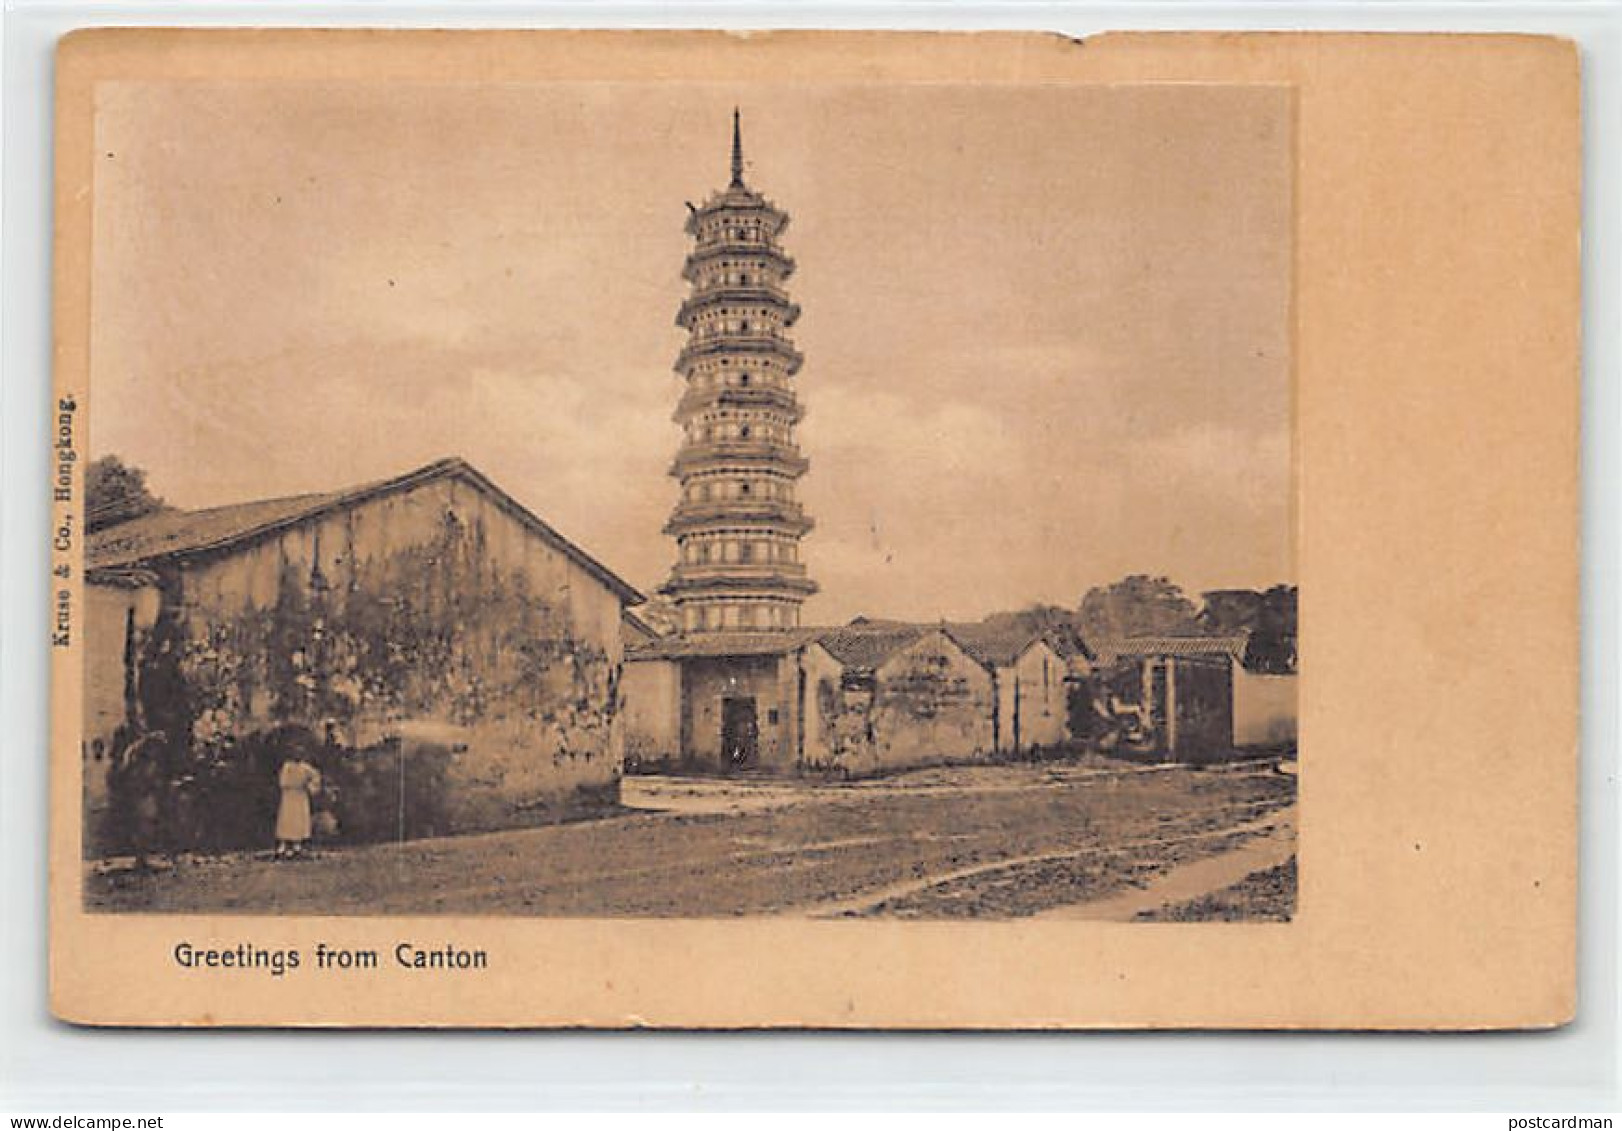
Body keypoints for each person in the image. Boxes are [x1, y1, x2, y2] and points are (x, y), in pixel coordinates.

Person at [274, 749, 323, 860]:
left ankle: (297, 846)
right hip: (289, 795)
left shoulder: (305, 767)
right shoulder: (287, 766)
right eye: (295, 753)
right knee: (286, 820)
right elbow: (282, 781)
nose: (297, 756)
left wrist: (310, 785)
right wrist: (292, 783)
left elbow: (315, 777)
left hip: (301, 796)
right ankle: (283, 846)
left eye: (300, 754)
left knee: (299, 820)